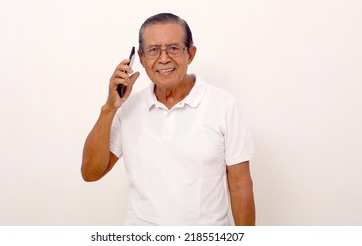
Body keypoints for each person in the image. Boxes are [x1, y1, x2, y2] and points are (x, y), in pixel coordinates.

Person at [81, 13, 255, 226]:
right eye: (154, 50)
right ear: (142, 59)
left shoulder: (224, 104)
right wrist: (109, 108)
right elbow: (90, 173)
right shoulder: (127, 108)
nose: (164, 59)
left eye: (173, 48)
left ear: (190, 54)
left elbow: (240, 185)